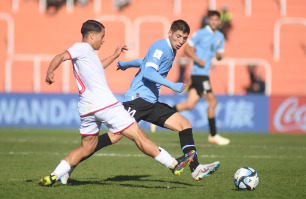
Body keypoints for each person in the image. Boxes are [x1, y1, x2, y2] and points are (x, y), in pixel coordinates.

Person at [59, 19, 221, 185]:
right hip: (137, 101)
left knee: (184, 125)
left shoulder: (170, 49)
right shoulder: (161, 47)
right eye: (178, 36)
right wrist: (173, 85)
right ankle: (69, 167)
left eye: (184, 39)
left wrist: (126, 64)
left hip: (150, 102)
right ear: (170, 33)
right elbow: (148, 73)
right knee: (113, 137)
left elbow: (144, 62)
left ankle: (195, 169)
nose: (181, 42)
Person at [173, 11, 230, 146]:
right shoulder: (200, 33)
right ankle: (213, 135)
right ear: (208, 20)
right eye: (212, 19)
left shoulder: (220, 36)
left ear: (220, 22)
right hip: (199, 73)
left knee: (189, 105)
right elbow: (186, 50)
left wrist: (220, 56)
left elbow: (220, 53)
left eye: (217, 20)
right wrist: (197, 59)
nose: (214, 22)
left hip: (205, 73)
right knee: (213, 102)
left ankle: (162, 114)